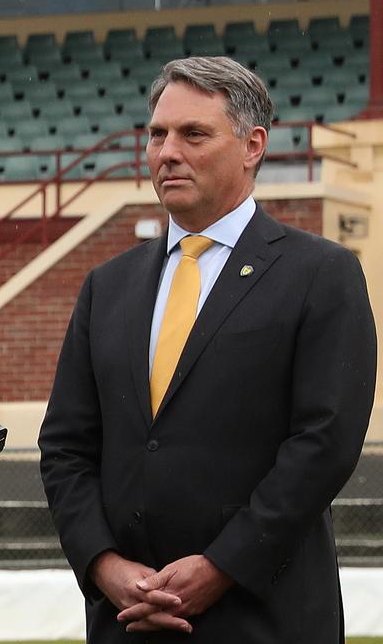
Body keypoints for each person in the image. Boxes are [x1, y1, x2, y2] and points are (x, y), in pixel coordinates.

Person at [39, 56, 376, 642]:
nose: (167, 152)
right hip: (128, 619)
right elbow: (66, 446)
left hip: (261, 616)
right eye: (157, 135)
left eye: (194, 134)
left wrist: (221, 567)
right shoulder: (106, 287)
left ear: (253, 146)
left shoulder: (322, 273)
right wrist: (104, 565)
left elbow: (324, 445)